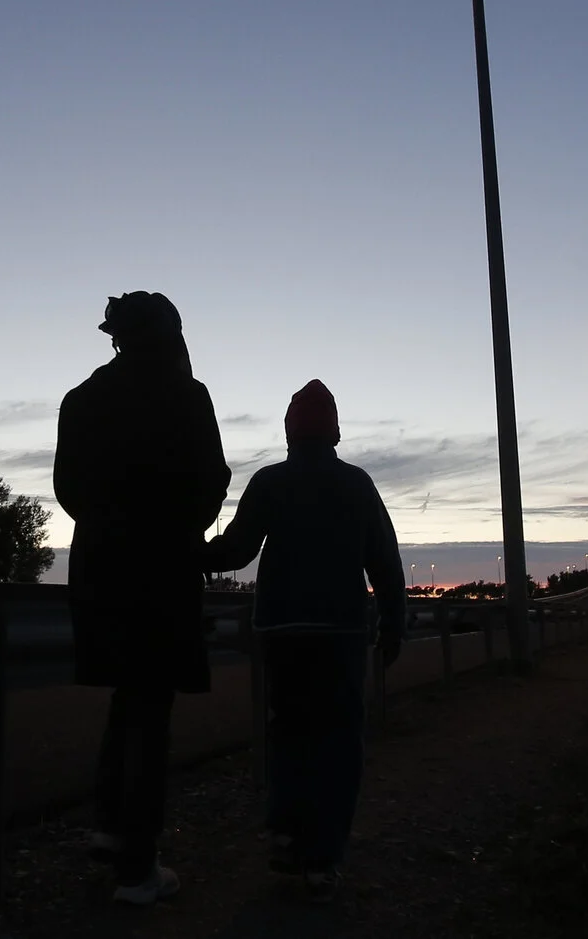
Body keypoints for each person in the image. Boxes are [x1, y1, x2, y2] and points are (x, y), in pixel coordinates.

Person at [54, 291, 230, 905]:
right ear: (170, 332)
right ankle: (137, 867)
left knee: (129, 696)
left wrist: (110, 528)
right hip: (163, 569)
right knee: (149, 709)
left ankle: (109, 827)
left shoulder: (81, 399)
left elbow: (67, 488)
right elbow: (214, 478)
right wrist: (181, 529)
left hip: (101, 569)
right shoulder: (188, 395)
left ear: (116, 336)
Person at [202, 378, 404, 898]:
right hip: (340, 631)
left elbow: (236, 551)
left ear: (289, 431)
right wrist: (394, 622)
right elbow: (384, 559)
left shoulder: (270, 482)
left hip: (280, 629)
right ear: (335, 432)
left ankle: (287, 835)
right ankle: (323, 856)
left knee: (288, 731)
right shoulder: (357, 484)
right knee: (338, 740)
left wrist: (190, 554)